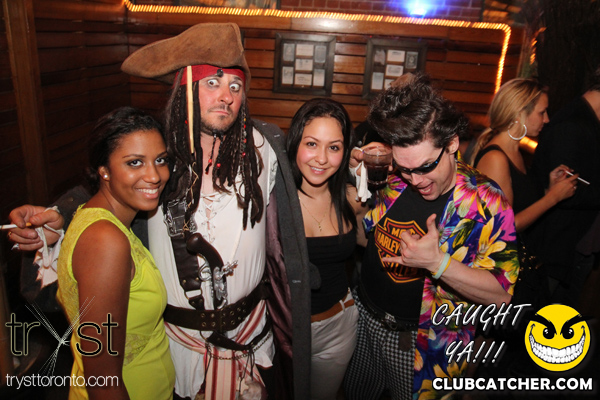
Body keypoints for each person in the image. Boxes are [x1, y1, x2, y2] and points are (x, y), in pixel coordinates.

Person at [8, 23, 312, 400]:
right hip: (179, 346)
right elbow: (105, 188)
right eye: (212, 83)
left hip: (253, 335)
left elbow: (303, 196)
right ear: (185, 88)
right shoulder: (157, 154)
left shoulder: (265, 148)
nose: (226, 96)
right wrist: (59, 218)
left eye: (235, 86)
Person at [343, 74, 519, 399]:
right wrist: (354, 177)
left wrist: (438, 264)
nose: (415, 180)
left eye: (425, 167)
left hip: (422, 343)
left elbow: (501, 297)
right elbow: (366, 236)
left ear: (451, 144)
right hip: (365, 320)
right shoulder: (394, 177)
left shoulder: (487, 202)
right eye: (405, 168)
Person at [54, 107, 175, 399]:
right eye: (135, 162)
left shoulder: (101, 219)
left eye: (160, 160)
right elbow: (102, 380)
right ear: (104, 170)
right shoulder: (105, 240)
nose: (154, 175)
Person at [285, 98, 365, 399]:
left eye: (333, 147)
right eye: (311, 144)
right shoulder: (274, 200)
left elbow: (373, 244)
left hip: (338, 326)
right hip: (285, 330)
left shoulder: (352, 198)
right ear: (295, 143)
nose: (321, 158)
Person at [529, 65, 600, 308]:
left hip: (574, 247)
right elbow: (566, 189)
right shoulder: (571, 125)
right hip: (557, 250)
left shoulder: (587, 122)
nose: (545, 118)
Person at [470, 78, 577, 238]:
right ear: (520, 114)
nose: (547, 119)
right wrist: (553, 197)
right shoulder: (495, 158)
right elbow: (503, 227)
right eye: (541, 112)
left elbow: (522, 205)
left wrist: (551, 189)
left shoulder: (514, 152)